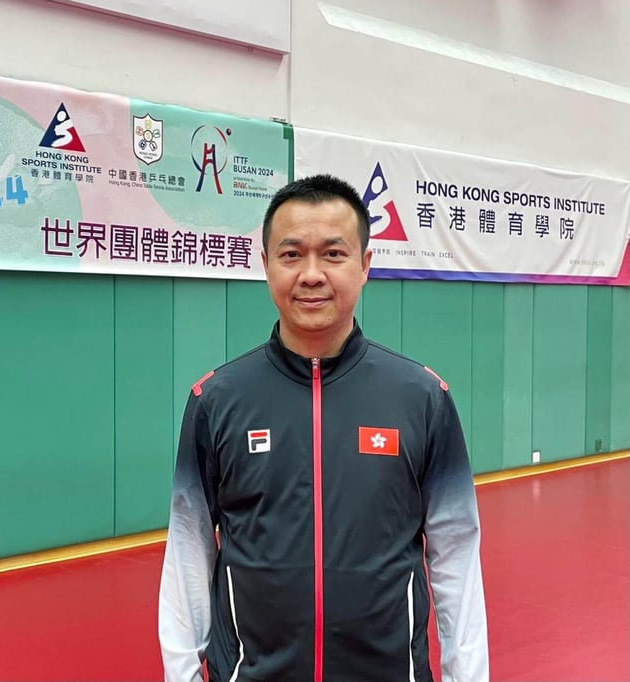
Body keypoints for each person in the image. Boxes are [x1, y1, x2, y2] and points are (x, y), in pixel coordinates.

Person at [158, 174, 488, 682]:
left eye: (333, 254)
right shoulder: (216, 400)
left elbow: (456, 559)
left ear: (365, 266)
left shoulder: (422, 398)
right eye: (292, 255)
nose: (312, 274)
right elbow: (188, 550)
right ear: (265, 263)